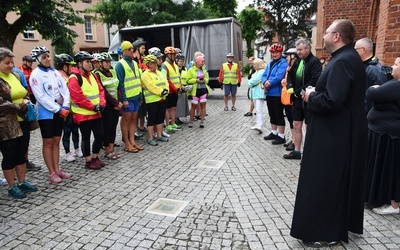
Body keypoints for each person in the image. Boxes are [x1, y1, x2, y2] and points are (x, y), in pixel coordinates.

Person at [290, 19, 368, 247]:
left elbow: (333, 101)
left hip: (335, 134)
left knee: (326, 181)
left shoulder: (343, 61)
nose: (322, 37)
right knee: (332, 179)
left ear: (337, 37)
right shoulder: (345, 58)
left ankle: (326, 230)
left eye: (326, 33)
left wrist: (311, 96)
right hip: (338, 130)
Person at [30, 46, 73, 184]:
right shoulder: (35, 75)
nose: (48, 59)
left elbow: (65, 90)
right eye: (44, 57)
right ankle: (51, 172)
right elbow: (40, 97)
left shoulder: (55, 72)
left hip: (60, 109)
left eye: (48, 56)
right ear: (38, 59)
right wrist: (58, 109)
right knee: (48, 142)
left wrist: (65, 105)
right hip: (46, 112)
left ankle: (57, 168)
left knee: (56, 140)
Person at [0, 47, 38, 199]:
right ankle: (11, 186)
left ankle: (22, 182)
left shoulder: (14, 75)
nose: (10, 65)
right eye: (6, 63)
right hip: (6, 124)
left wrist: (27, 100)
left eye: (11, 62)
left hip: (23, 121)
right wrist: (20, 106)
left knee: (21, 153)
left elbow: (24, 91)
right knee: (10, 155)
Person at [365, 56, 400, 215]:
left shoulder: (396, 86)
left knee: (391, 170)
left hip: (390, 136)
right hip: (384, 134)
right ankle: (381, 198)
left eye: (396, 64)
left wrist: (375, 88)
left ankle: (393, 204)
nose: (392, 66)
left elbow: (372, 94)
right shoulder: (393, 85)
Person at [283, 39, 322, 160]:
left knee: (308, 126)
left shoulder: (314, 62)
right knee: (296, 125)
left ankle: (309, 154)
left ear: (308, 49)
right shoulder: (298, 61)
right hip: (297, 99)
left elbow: (315, 81)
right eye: (297, 49)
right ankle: (297, 151)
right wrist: (289, 86)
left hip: (308, 99)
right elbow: (290, 75)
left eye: (300, 50)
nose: (298, 52)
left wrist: (299, 91)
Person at [68, 51, 106, 170]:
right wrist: (92, 106)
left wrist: (102, 103)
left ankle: (95, 157)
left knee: (100, 135)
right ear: (79, 63)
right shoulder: (74, 78)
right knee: (86, 137)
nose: (90, 64)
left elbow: (101, 90)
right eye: (87, 62)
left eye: (90, 61)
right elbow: (78, 97)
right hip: (83, 114)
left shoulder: (93, 75)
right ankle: (88, 160)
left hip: (96, 112)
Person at [115, 41, 144, 153]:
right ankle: (126, 143)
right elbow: (120, 83)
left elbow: (138, 80)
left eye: (132, 48)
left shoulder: (135, 64)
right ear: (124, 51)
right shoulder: (120, 65)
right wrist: (124, 99)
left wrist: (140, 95)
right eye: (129, 49)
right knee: (126, 120)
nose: (132, 50)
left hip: (136, 96)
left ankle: (132, 142)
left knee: (133, 120)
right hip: (128, 98)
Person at [93, 52, 122, 159]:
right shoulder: (97, 74)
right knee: (107, 128)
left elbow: (117, 86)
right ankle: (107, 150)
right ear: (100, 63)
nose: (108, 64)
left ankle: (112, 148)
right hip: (107, 105)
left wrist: (119, 101)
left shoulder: (112, 71)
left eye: (109, 62)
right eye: (106, 62)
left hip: (116, 104)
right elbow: (103, 91)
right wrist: (115, 103)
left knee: (113, 127)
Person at [56, 53, 83, 162]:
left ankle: (77, 148)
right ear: (63, 65)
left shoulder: (71, 76)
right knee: (66, 131)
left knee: (75, 130)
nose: (72, 67)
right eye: (69, 65)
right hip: (64, 109)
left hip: (74, 109)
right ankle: (67, 152)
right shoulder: (58, 76)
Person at [261, 44, 289, 145]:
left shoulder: (283, 63)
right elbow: (264, 75)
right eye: (273, 53)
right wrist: (264, 82)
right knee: (271, 113)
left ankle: (281, 136)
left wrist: (269, 83)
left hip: (277, 93)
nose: (275, 54)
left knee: (278, 114)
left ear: (281, 53)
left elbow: (279, 76)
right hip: (269, 93)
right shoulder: (270, 63)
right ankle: (274, 132)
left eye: (277, 52)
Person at [140, 55, 169, 146]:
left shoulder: (159, 73)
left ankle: (159, 135)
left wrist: (166, 90)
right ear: (147, 64)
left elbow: (165, 82)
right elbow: (151, 86)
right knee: (151, 119)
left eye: (154, 63)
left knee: (160, 118)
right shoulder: (145, 74)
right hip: (152, 100)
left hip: (162, 99)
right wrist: (161, 92)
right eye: (151, 63)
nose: (153, 65)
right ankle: (150, 137)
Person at [354, 37, 386, 113]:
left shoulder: (373, 69)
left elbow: (378, 95)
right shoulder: (364, 66)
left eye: (356, 50)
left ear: (363, 50)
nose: (354, 52)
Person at [281, 48, 298, 152]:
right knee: (290, 121)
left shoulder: (295, 68)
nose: (286, 58)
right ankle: (293, 139)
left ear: (293, 57)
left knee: (293, 122)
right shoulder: (289, 68)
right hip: (287, 99)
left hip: (291, 99)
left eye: (288, 56)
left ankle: (295, 141)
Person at [162, 46, 182, 132]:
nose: (174, 56)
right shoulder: (164, 65)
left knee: (174, 107)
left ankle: (173, 123)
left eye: (175, 54)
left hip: (175, 91)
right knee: (168, 109)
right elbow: (167, 79)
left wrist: (180, 86)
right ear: (168, 55)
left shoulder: (175, 65)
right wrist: (175, 88)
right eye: (173, 54)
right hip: (169, 91)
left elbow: (178, 77)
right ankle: (167, 124)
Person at [186, 56, 210, 128]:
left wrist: (204, 80)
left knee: (203, 105)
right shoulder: (191, 70)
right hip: (195, 90)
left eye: (203, 61)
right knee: (193, 106)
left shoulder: (204, 69)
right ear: (197, 62)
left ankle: (202, 121)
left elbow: (207, 79)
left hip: (203, 89)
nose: (203, 63)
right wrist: (196, 80)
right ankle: (191, 120)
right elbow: (188, 80)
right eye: (202, 61)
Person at [247, 58, 266, 133]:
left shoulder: (261, 72)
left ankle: (260, 125)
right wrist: (250, 82)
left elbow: (254, 81)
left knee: (259, 109)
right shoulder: (256, 72)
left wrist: (250, 83)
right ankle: (258, 123)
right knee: (257, 109)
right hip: (255, 93)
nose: (253, 66)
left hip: (259, 93)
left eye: (255, 64)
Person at [176, 53, 190, 122]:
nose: (181, 63)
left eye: (182, 61)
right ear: (177, 61)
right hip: (177, 89)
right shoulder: (175, 69)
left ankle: (178, 117)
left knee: (181, 105)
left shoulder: (185, 69)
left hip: (184, 89)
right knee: (176, 105)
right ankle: (175, 118)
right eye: (180, 61)